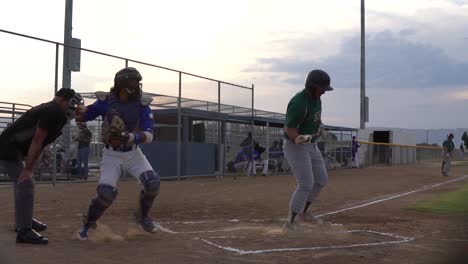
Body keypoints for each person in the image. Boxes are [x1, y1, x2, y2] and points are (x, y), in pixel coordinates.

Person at [75, 67, 159, 240]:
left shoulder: (141, 104)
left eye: (137, 83)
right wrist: (79, 109)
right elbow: (85, 116)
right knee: (106, 193)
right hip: (112, 155)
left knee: (152, 183)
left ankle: (143, 217)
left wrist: (130, 137)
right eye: (132, 82)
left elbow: (149, 135)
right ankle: (89, 222)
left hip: (133, 153)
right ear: (121, 84)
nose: (136, 86)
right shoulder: (106, 101)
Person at [0, 88, 83, 244]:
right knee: (26, 184)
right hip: (8, 147)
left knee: (22, 183)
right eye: (74, 103)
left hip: (11, 146)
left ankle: (23, 220)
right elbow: (37, 140)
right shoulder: (54, 111)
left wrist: (30, 165)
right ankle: (24, 231)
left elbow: (40, 142)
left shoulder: (53, 110)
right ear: (65, 101)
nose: (75, 107)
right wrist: (28, 169)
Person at [282, 69, 333, 231]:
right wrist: (300, 138)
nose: (324, 92)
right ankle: (290, 223)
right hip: (295, 146)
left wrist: (321, 127)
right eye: (321, 88)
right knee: (306, 184)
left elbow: (316, 118)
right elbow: (290, 130)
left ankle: (304, 212)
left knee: (321, 180)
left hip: (311, 145)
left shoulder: (317, 99)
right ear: (311, 86)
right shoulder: (298, 103)